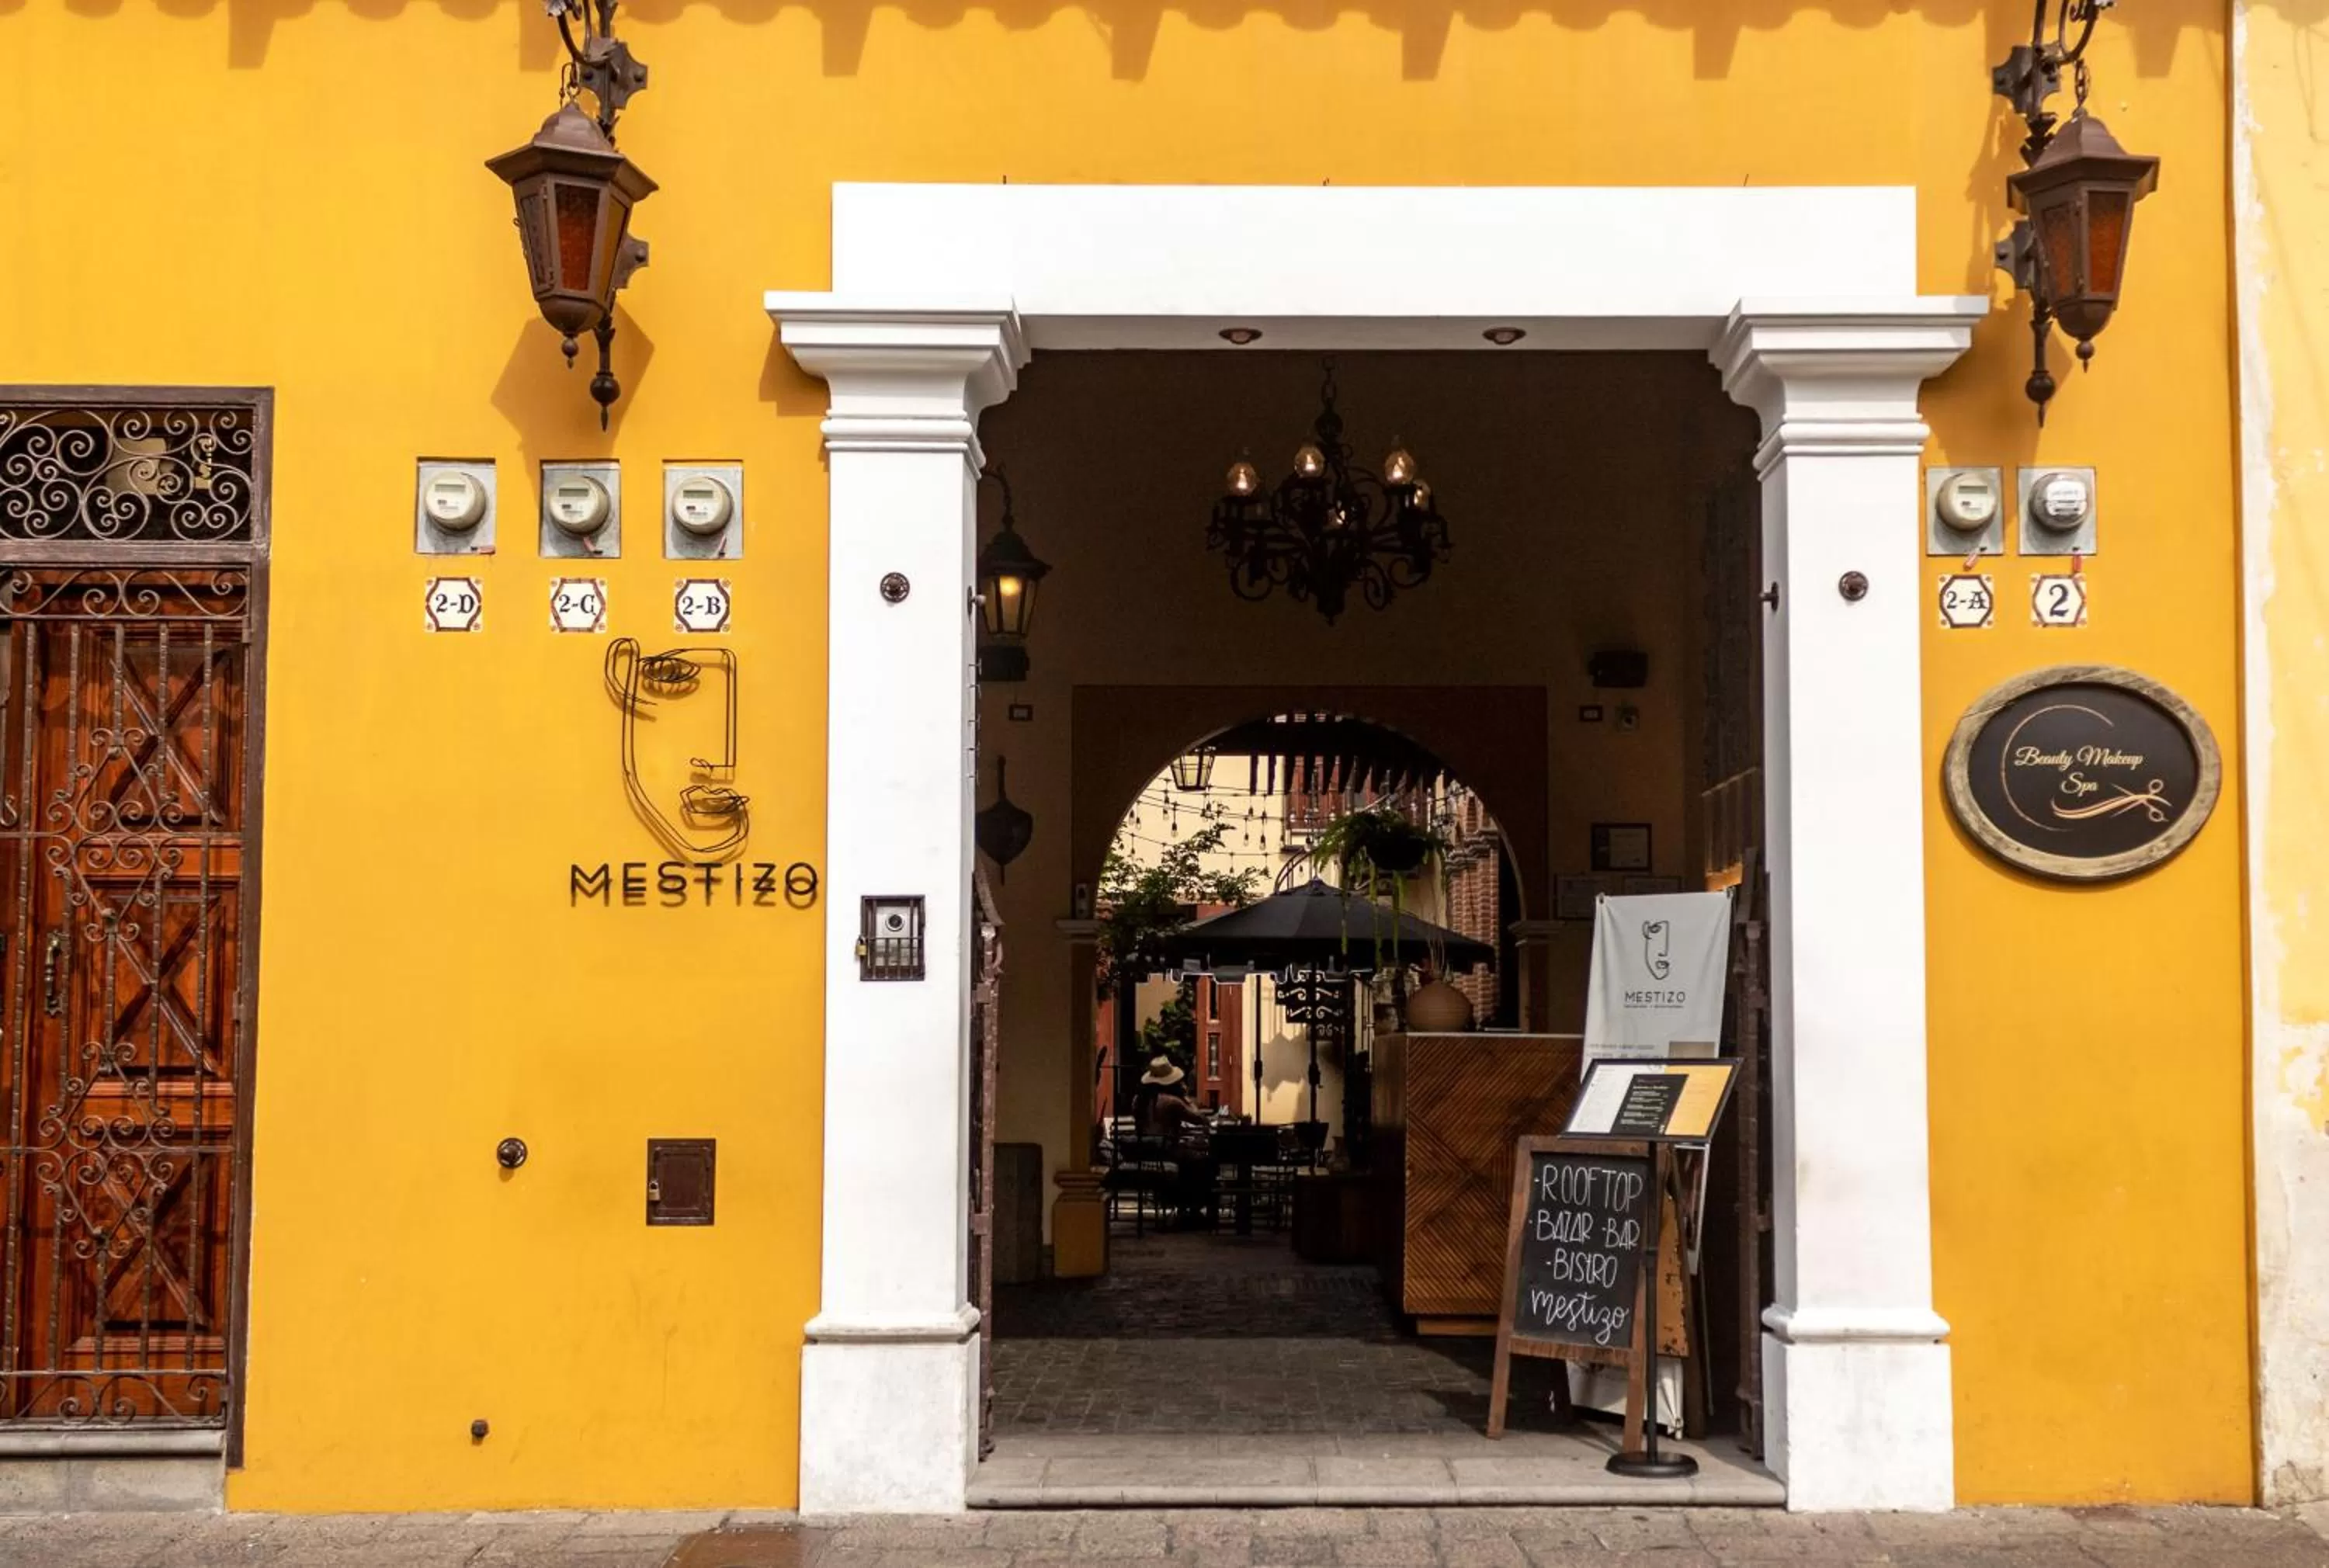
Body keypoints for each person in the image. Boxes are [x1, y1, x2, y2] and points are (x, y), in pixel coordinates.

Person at [1131, 1056, 1213, 1229]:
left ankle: (1184, 1206)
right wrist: (1186, 1097)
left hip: (1145, 1153)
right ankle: (1192, 1207)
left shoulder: (1138, 1100)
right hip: (1166, 1152)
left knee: (1190, 1158)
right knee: (1204, 1162)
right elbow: (1199, 1119)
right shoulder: (1172, 1102)